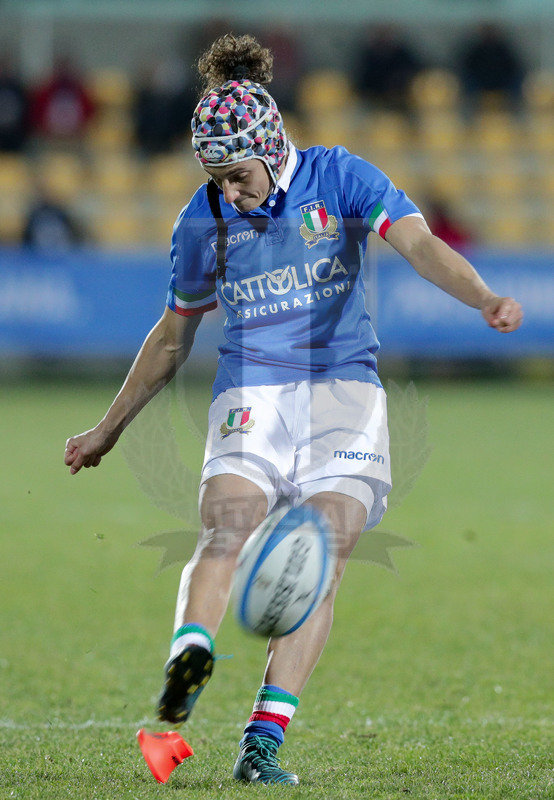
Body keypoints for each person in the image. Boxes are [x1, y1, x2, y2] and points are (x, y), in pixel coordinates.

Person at [64, 33, 523, 786]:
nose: (231, 193)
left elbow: (419, 244)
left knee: (326, 551)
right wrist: (107, 430)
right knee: (226, 523)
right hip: (252, 392)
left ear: (273, 147)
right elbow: (174, 334)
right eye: (218, 179)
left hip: (344, 392)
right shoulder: (201, 218)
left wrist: (483, 297)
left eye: (239, 177)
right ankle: (192, 651)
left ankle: (262, 743)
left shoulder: (341, 178)